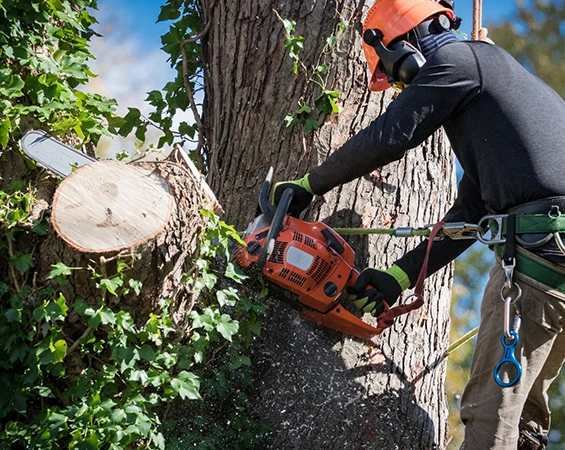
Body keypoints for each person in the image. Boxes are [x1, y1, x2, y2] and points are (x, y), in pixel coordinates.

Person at [272, 0, 565, 449]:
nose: (397, 88)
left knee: (489, 421)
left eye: (394, 77)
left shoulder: (458, 60)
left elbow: (390, 136)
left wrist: (309, 184)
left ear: (401, 49)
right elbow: (469, 213)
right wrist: (398, 277)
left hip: (540, 262)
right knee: (522, 426)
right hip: (553, 266)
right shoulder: (490, 89)